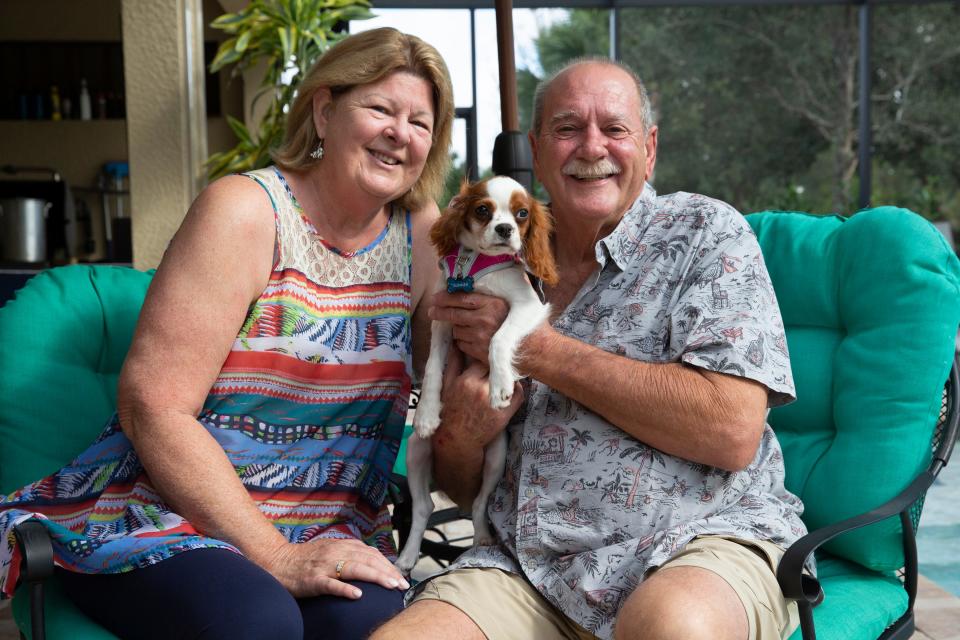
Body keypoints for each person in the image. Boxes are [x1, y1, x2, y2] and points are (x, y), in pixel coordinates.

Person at [0, 27, 452, 640]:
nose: (401, 133)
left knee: (373, 623)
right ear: (323, 111)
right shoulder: (244, 211)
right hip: (171, 520)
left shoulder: (424, 240)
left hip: (329, 530)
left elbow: (450, 396)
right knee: (255, 622)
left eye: (421, 122)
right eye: (379, 108)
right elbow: (153, 406)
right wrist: (277, 555)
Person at [373, 58, 807, 640]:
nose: (591, 147)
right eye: (568, 127)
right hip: (525, 569)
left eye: (616, 129)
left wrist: (541, 352)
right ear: (537, 148)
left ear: (649, 148)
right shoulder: (499, 261)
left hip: (696, 543)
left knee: (672, 629)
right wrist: (465, 433)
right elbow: (461, 486)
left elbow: (731, 432)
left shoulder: (704, 233)